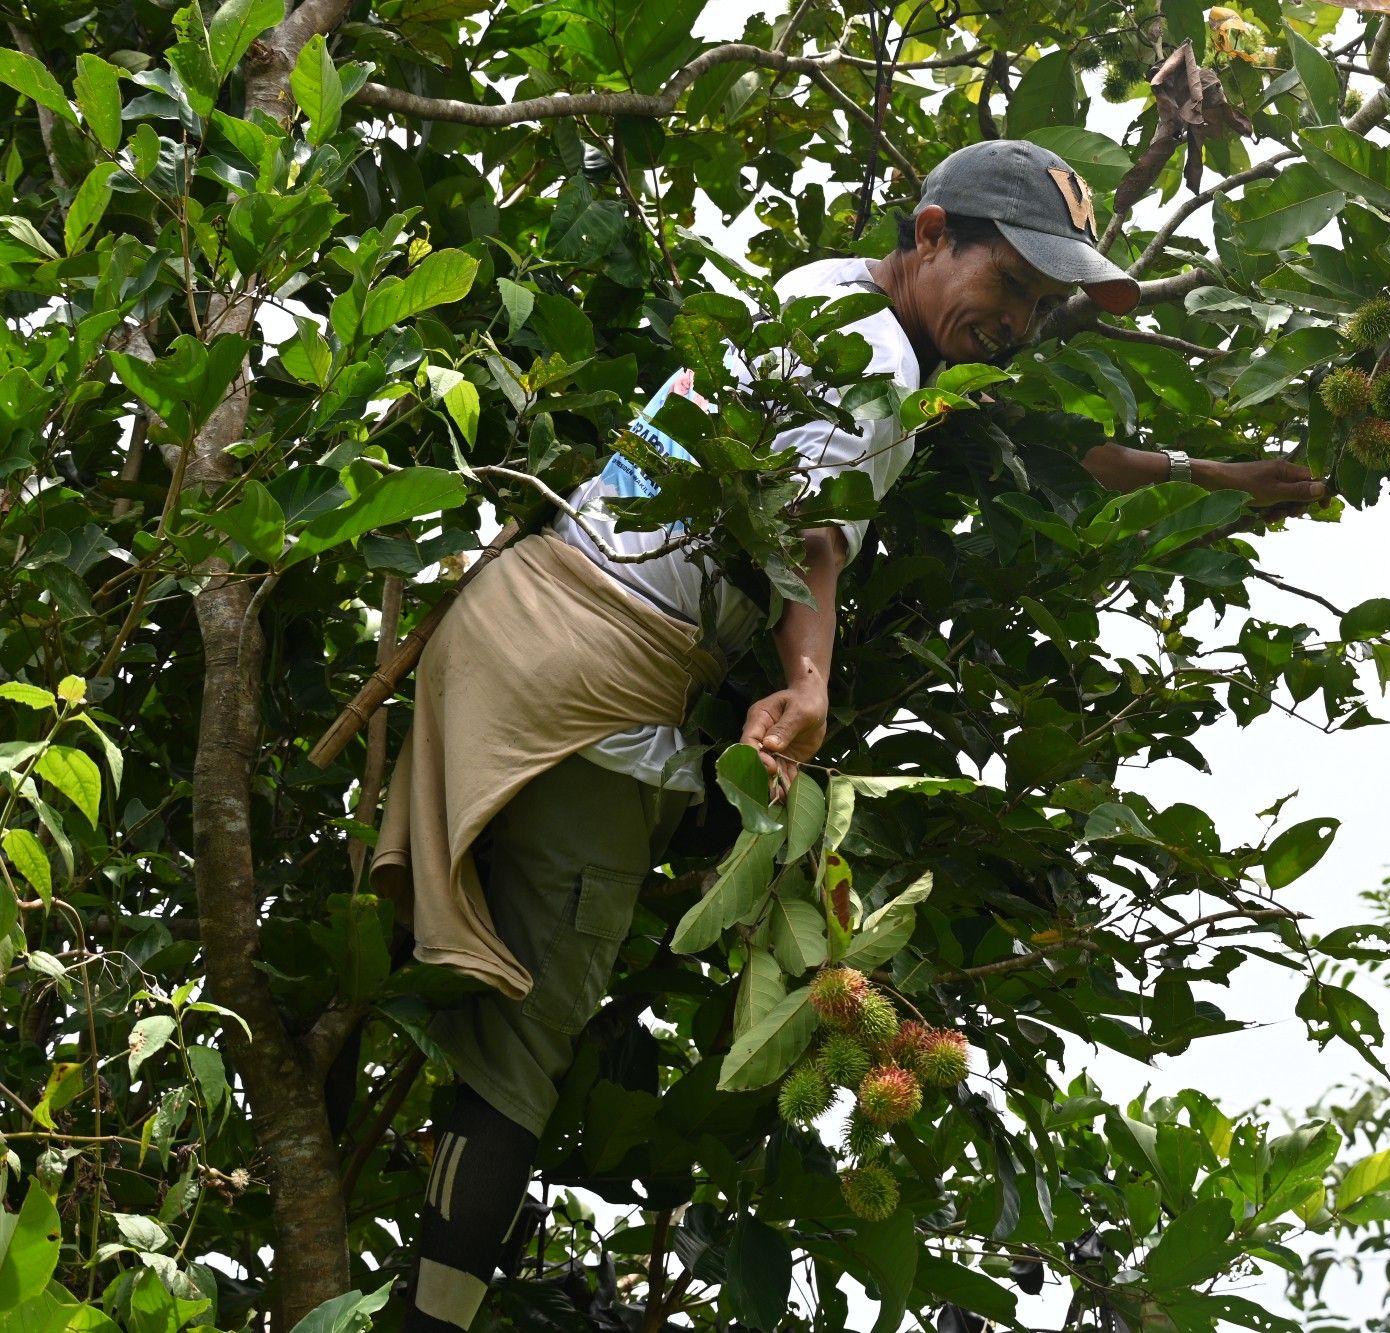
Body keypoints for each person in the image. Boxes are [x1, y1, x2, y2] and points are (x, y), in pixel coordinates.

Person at [377, 138, 1324, 1333]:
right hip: (596, 676)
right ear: (931, 235)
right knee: (524, 1042)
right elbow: (812, 537)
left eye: (1043, 304)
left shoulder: (831, 300)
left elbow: (1027, 447)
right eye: (1009, 285)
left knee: (445, 968)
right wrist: (808, 680)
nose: (1021, 323)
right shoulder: (876, 364)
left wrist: (1216, 472)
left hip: (517, 618)